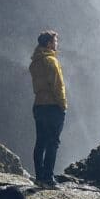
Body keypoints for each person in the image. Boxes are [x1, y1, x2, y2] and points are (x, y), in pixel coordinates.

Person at [29, 30, 67, 187]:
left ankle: (39, 176)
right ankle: (48, 178)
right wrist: (63, 104)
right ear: (49, 44)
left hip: (39, 105)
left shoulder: (35, 62)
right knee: (53, 142)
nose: (57, 44)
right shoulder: (51, 61)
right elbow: (57, 85)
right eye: (55, 41)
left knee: (40, 142)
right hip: (52, 106)